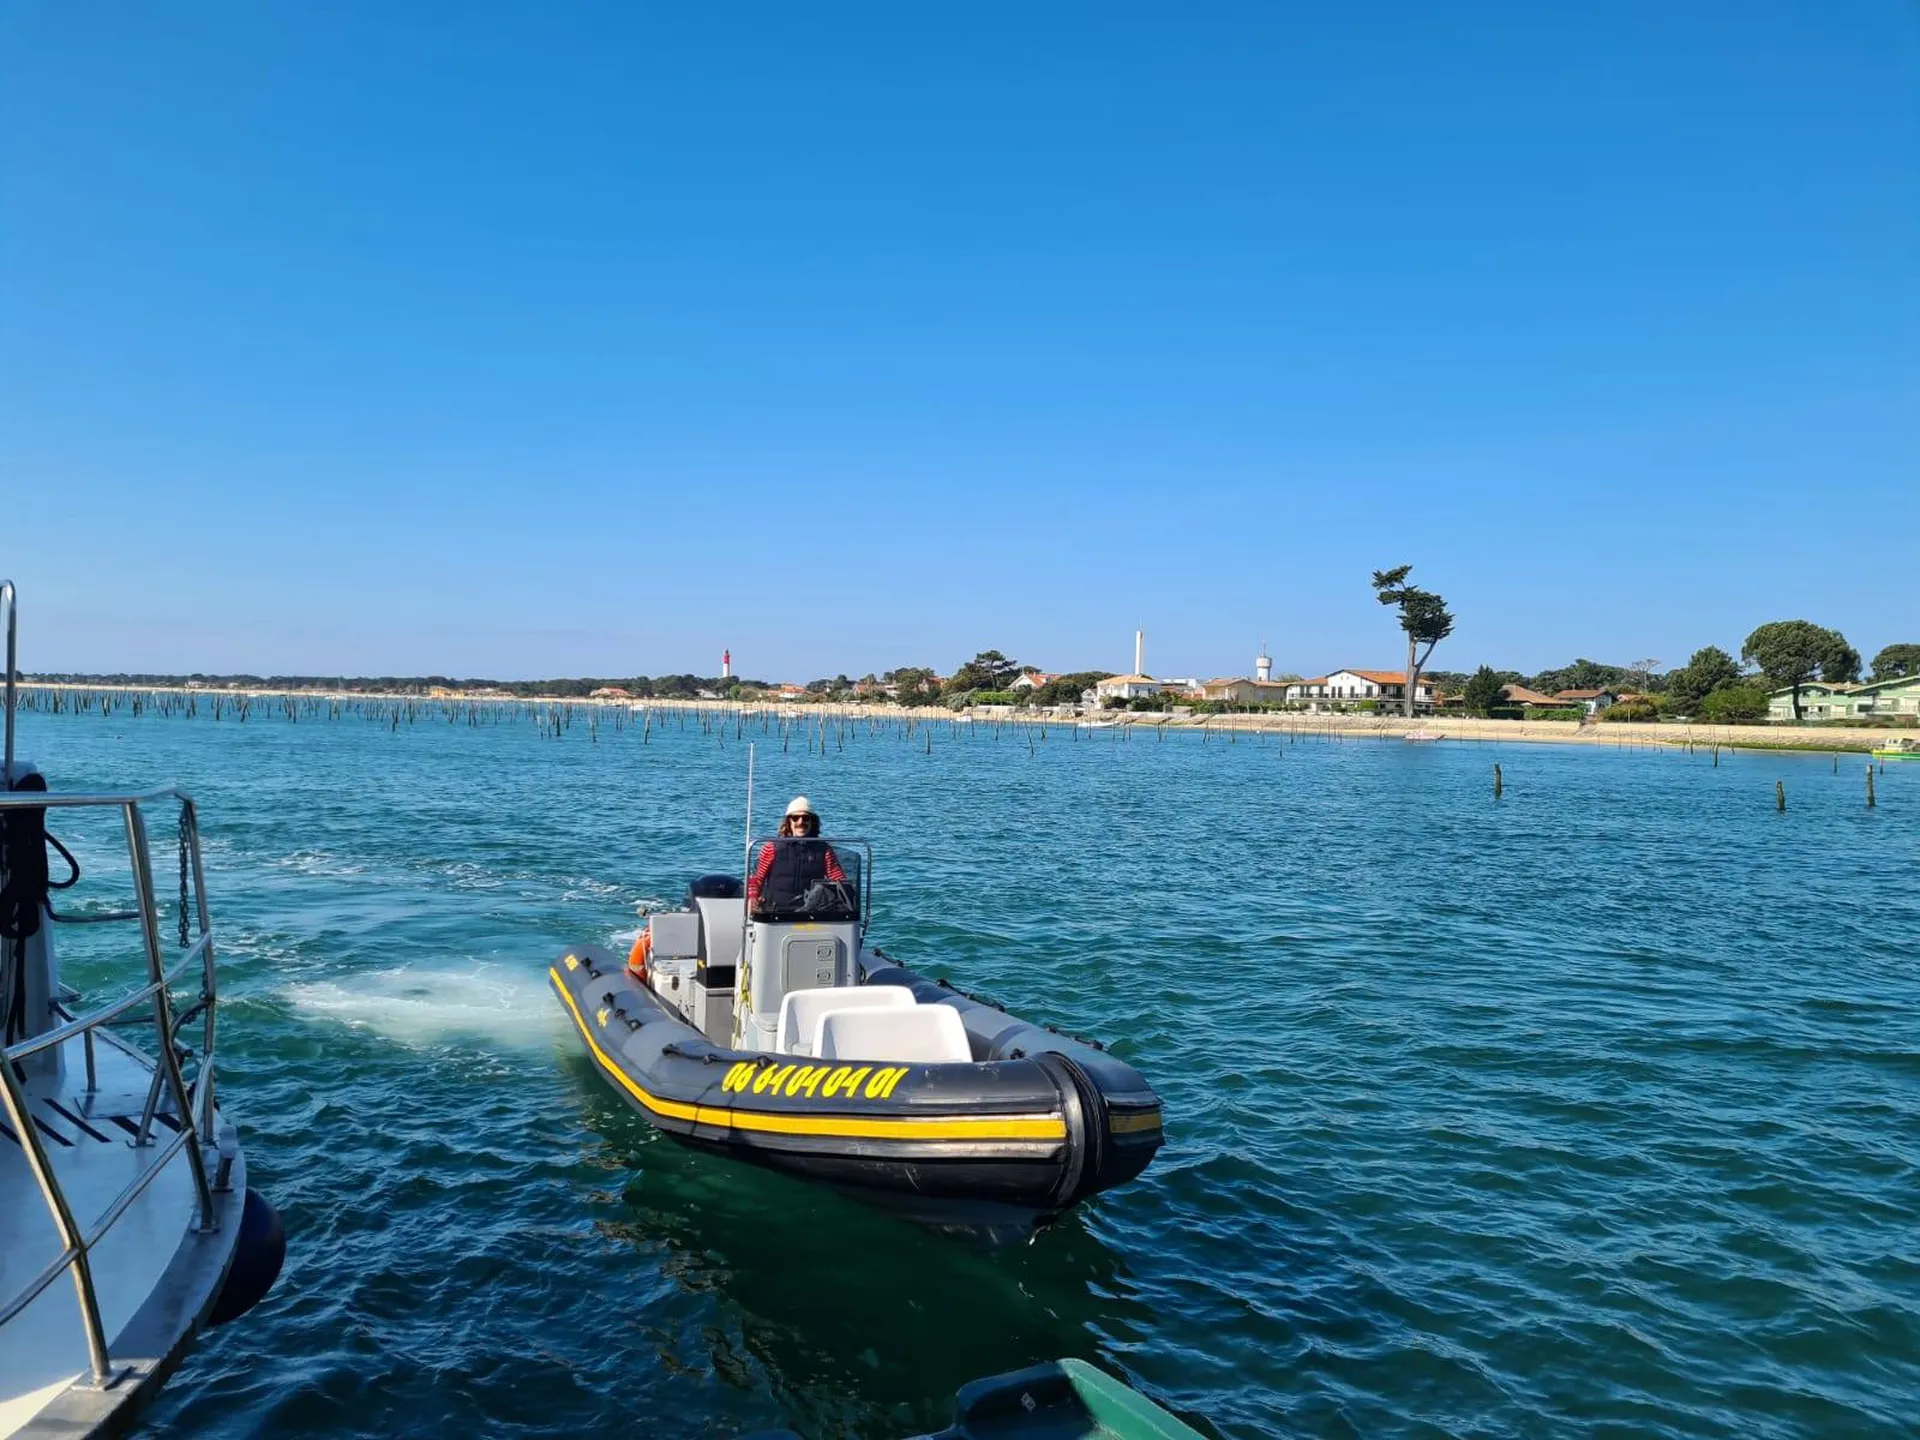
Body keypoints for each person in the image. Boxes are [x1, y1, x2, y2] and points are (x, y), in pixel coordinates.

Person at [746, 796, 847, 914]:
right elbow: (756, 879)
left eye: (805, 818)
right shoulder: (771, 848)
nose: (800, 822)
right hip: (775, 913)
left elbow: (839, 879)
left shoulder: (824, 850)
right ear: (788, 822)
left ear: (812, 821)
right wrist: (752, 899)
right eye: (795, 818)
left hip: (811, 914)